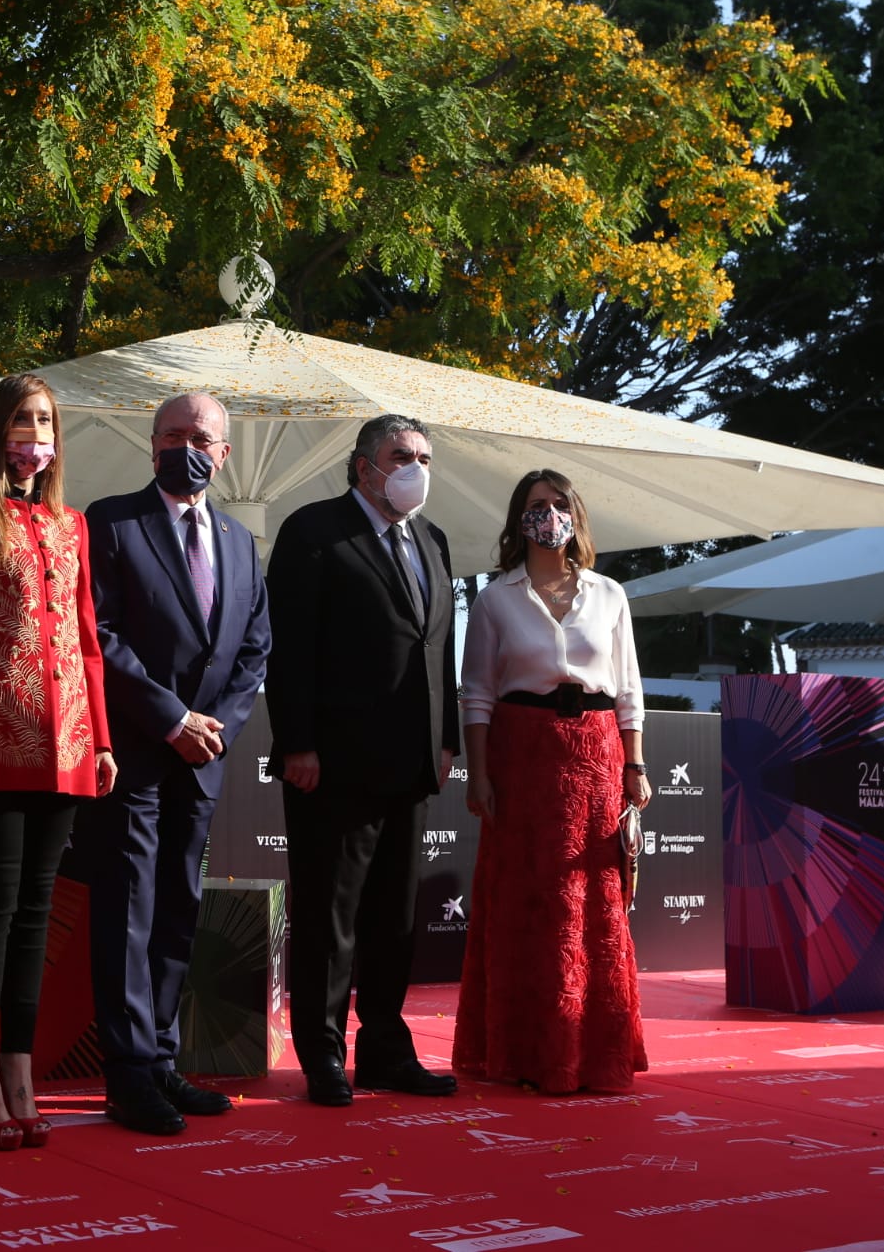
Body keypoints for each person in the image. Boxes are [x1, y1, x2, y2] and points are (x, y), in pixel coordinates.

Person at [0, 373, 117, 1150]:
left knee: (38, 913)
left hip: (69, 740)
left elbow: (89, 639)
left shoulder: (74, 524)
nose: (34, 433)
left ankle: (20, 1067)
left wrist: (101, 738)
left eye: (44, 421)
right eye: (20, 420)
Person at [81, 392, 271, 1135]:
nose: (188, 447)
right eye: (174, 434)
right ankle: (127, 1073)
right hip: (133, 751)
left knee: (177, 909)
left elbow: (255, 646)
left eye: (204, 438)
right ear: (151, 442)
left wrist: (215, 727)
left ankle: (162, 1057)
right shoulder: (111, 521)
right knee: (127, 909)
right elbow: (99, 632)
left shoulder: (239, 541)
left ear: (223, 453)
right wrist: (171, 718)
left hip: (203, 760)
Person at [265, 413, 459, 1106]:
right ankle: (322, 1053)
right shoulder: (313, 532)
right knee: (330, 915)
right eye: (400, 454)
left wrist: (448, 740)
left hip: (411, 764)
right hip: (333, 763)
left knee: (393, 917)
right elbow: (287, 648)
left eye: (424, 456)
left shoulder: (433, 540)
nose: (415, 466)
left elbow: (440, 647)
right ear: (363, 466)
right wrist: (296, 742)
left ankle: (383, 1047)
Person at [453, 469, 650, 1095]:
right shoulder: (494, 599)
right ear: (518, 520)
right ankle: (524, 1052)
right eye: (537, 506)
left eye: (559, 504)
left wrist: (635, 766)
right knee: (524, 903)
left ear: (576, 515)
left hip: (595, 757)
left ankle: (593, 1053)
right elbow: (477, 694)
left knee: (592, 904)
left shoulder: (610, 594)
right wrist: (478, 774)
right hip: (522, 757)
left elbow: (629, 690)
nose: (549, 514)